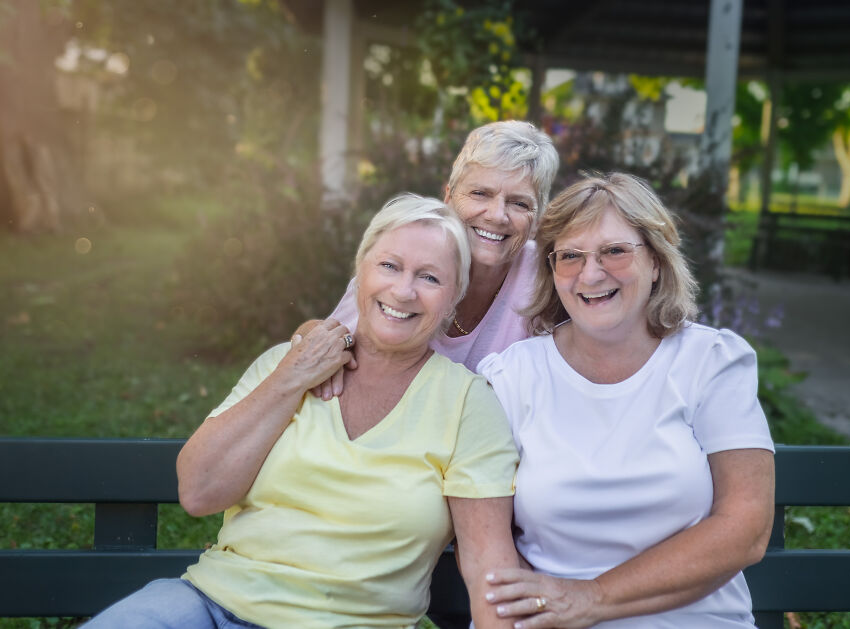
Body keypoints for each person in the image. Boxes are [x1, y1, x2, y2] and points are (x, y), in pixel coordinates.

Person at [83, 195, 521, 629]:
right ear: (361, 271)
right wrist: (293, 377)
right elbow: (199, 492)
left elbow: (488, 564)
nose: (403, 291)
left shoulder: (467, 403)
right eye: (389, 266)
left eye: (429, 277)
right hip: (208, 606)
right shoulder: (286, 363)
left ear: (454, 297)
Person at [477, 173, 776, 628]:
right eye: (570, 256)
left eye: (614, 251)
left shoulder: (711, 362)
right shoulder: (512, 378)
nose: (591, 273)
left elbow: (747, 526)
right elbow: (488, 554)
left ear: (656, 261)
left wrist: (592, 598)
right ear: (551, 271)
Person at [306, 120, 559, 401]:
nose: (497, 215)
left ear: (536, 220)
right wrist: (321, 343)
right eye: (480, 193)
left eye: (519, 204)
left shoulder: (549, 277)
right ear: (448, 197)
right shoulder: (409, 251)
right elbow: (329, 335)